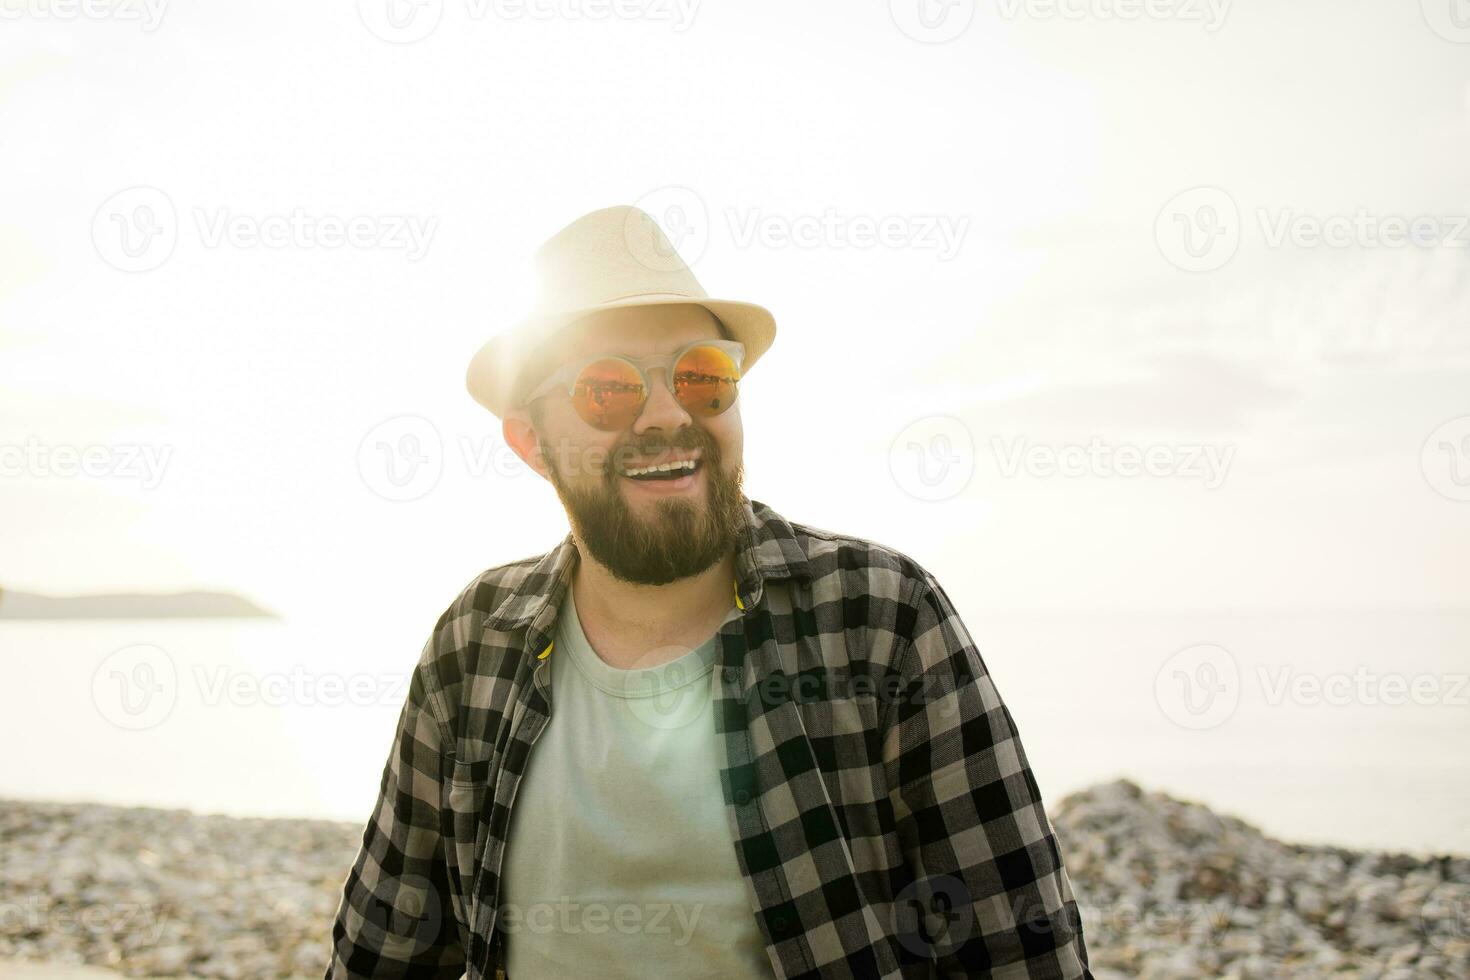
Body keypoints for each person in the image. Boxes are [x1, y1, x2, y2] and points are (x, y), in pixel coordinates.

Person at [325, 205, 1091, 979]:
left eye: (702, 376)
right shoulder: (474, 642)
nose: (668, 414)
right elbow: (381, 952)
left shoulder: (879, 617)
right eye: (607, 389)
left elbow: (1023, 952)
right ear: (532, 442)